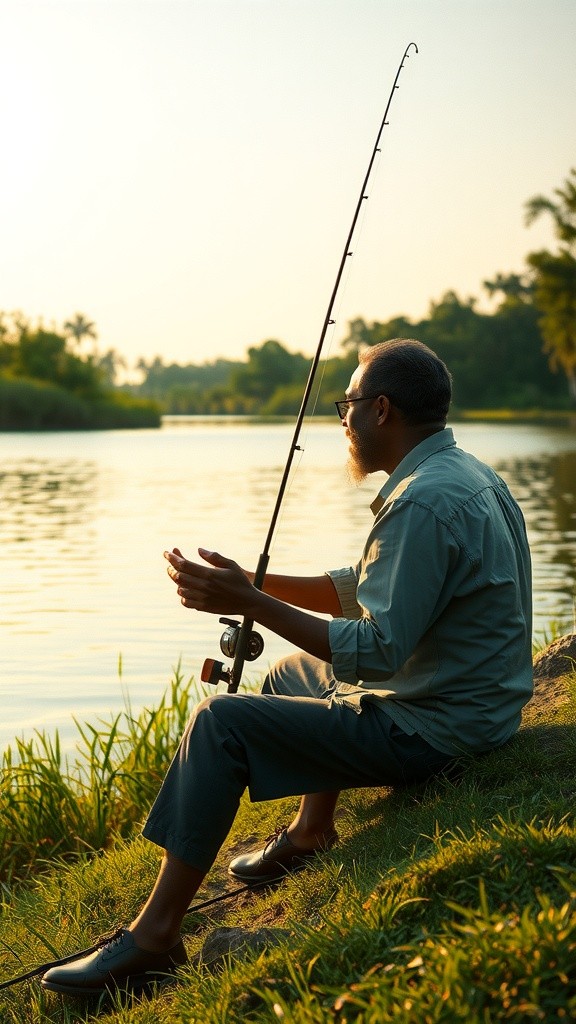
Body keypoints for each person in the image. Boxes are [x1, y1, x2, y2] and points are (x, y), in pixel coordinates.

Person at [41, 339, 533, 996]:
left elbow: (378, 650)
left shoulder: (418, 502)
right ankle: (310, 831)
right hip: (479, 705)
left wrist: (251, 605)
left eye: (348, 404)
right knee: (293, 673)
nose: (343, 420)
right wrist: (255, 581)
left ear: (380, 410)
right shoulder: (462, 474)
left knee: (220, 723)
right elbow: (364, 585)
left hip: (440, 727)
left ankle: (154, 937)